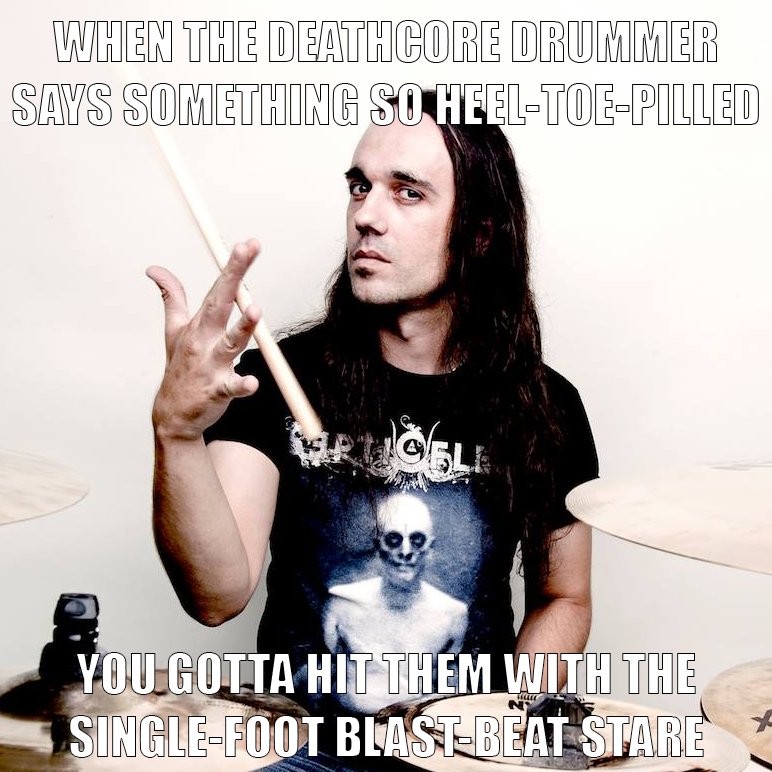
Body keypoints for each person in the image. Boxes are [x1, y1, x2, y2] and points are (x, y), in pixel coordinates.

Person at [147, 90, 598, 767]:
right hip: (298, 752)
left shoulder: (547, 406)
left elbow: (563, 595)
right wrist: (177, 434)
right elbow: (216, 596)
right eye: (360, 186)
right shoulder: (274, 377)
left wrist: (511, 729)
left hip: (461, 754)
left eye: (407, 193)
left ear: (479, 233)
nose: (366, 215)